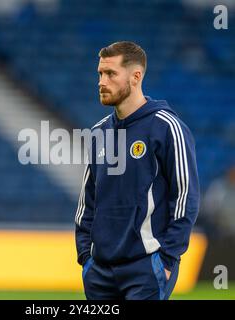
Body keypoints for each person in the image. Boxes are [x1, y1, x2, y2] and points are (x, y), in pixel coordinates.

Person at [75, 41, 200, 300]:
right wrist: (86, 258)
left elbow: (186, 197)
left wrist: (166, 259)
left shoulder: (167, 128)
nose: (101, 81)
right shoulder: (98, 133)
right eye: (100, 73)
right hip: (99, 273)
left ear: (135, 76)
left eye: (110, 74)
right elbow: (87, 202)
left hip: (146, 269)